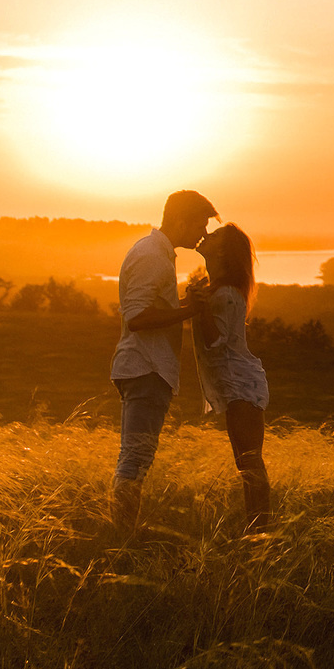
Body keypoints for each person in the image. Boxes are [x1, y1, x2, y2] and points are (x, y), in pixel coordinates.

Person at [107, 189, 216, 529]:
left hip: (146, 368)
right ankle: (121, 535)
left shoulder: (157, 252)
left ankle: (121, 533)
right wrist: (189, 309)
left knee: (136, 458)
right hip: (146, 368)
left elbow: (147, 309)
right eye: (201, 224)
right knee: (135, 459)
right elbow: (137, 318)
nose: (204, 233)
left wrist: (183, 302)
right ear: (181, 220)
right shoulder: (153, 255)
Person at [190, 222, 273, 532]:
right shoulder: (215, 288)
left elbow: (214, 341)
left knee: (250, 462)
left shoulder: (224, 294)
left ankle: (260, 532)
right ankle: (256, 528)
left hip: (241, 384)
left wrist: (199, 308)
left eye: (213, 236)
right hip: (236, 383)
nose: (205, 235)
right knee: (246, 463)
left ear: (222, 251)